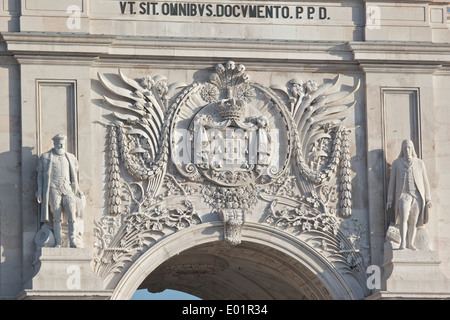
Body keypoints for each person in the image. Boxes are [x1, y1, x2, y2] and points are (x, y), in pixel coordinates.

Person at [35, 134, 82, 248]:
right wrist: (40, 191)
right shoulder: (46, 157)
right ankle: (58, 241)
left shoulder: (70, 157)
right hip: (53, 188)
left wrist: (78, 189)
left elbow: (74, 175)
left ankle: (72, 239)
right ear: (54, 144)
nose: (61, 145)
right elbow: (40, 175)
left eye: (62, 143)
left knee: (72, 212)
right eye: (59, 143)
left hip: (67, 188)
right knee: (56, 216)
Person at [387, 139, 432, 250]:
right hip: (403, 195)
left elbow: (426, 182)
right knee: (403, 217)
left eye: (408, 147)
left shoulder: (420, 163)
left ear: (412, 148)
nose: (407, 150)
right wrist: (390, 199)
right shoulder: (397, 163)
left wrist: (428, 199)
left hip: (417, 196)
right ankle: (403, 242)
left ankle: (410, 243)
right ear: (402, 149)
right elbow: (392, 182)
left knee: (414, 221)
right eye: (404, 148)